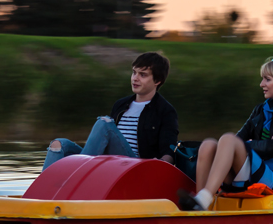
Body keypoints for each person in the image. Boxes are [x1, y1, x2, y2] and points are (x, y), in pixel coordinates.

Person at [179, 56, 273, 211]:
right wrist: (236, 148)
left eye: (267, 80)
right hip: (251, 171)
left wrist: (246, 145)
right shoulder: (261, 110)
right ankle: (200, 204)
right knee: (208, 145)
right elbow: (239, 139)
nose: (261, 84)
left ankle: (204, 199)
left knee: (228, 139)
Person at [42, 52, 179, 171]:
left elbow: (169, 152)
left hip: (135, 167)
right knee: (59, 144)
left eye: (142, 75)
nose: (135, 78)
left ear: (158, 81)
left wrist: (159, 165)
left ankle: (80, 175)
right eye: (134, 72)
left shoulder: (165, 111)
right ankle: (42, 194)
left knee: (104, 124)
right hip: (110, 163)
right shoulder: (121, 105)